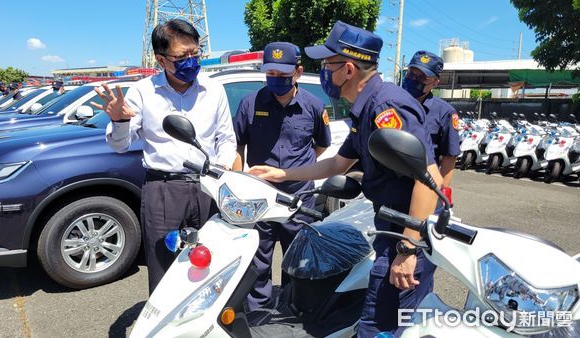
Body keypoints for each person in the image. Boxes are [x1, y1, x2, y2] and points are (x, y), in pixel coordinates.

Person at [248, 21, 443, 336]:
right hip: (392, 229)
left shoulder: (386, 107)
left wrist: (408, 248)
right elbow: (338, 163)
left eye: (327, 64)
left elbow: (428, 177)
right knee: (383, 324)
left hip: (407, 234)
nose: (324, 71)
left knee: (383, 327)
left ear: (348, 69)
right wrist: (282, 173)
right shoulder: (365, 108)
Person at [95, 19, 237, 294]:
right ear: (161, 59)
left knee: (210, 262)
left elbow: (227, 139)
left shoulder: (214, 90)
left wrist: (218, 173)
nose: (192, 61)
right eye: (182, 56)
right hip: (162, 190)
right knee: (164, 266)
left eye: (196, 53)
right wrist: (119, 121)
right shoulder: (143, 92)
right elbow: (120, 146)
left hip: (207, 187)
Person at [232, 41, 332, 310]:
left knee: (297, 257)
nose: (276, 79)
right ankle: (258, 311)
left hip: (298, 197)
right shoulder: (250, 103)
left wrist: (296, 170)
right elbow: (237, 144)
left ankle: (292, 308)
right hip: (259, 196)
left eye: (282, 74)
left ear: (298, 72)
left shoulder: (313, 106)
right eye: (271, 73)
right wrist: (238, 179)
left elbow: (321, 145)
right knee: (258, 256)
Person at [402, 51, 460, 189]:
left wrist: (441, 194)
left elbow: (449, 157)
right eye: (411, 73)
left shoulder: (445, 112)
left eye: (422, 77)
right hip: (387, 188)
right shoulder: (392, 103)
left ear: (435, 82)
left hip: (422, 187)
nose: (414, 79)